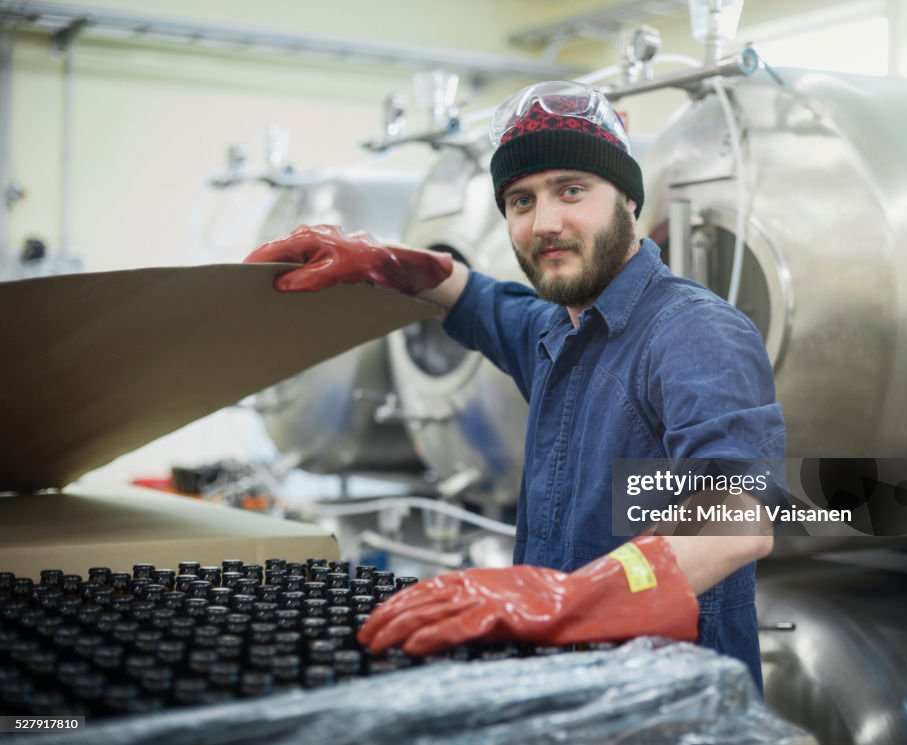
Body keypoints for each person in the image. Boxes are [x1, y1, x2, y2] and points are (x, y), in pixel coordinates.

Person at [245, 81, 785, 689]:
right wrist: (382, 261)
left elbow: (737, 519)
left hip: (673, 704)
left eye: (571, 191)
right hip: (564, 689)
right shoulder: (557, 335)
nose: (545, 223)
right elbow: (476, 297)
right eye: (521, 201)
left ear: (628, 201)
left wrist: (568, 597)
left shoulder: (693, 333)